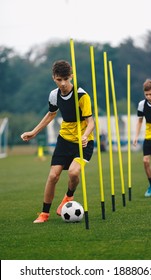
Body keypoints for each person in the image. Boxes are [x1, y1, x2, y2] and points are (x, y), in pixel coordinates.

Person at [21, 60, 95, 223]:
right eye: (58, 79)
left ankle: (68, 197)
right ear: (53, 77)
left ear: (71, 77)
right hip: (64, 141)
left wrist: (85, 135)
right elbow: (51, 114)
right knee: (53, 176)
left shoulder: (82, 95)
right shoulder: (54, 95)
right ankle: (44, 214)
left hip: (84, 141)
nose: (62, 83)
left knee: (74, 172)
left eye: (65, 79)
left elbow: (91, 122)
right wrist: (33, 132)